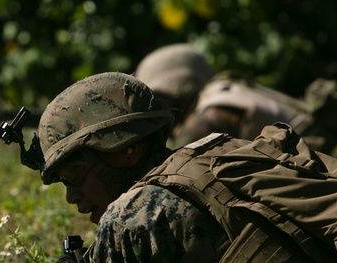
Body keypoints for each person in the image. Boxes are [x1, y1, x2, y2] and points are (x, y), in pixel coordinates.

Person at [29, 72, 330, 262]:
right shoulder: (223, 151)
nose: (71, 195)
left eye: (75, 174)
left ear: (126, 150)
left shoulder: (132, 216)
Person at [135, 43, 337, 155]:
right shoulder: (225, 90)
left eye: (159, 98)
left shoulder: (211, 114)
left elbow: (179, 166)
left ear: (178, 91)